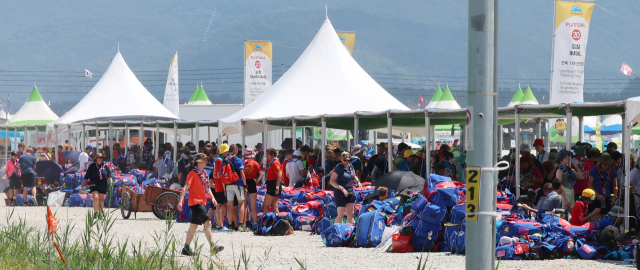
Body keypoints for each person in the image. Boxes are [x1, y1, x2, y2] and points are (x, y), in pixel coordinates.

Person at [177, 153, 224, 256]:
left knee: (193, 226)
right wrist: (180, 201)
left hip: (201, 202)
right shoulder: (192, 173)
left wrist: (213, 198)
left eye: (206, 160)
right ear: (198, 162)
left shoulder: (204, 174)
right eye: (204, 160)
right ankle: (213, 246)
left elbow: (207, 189)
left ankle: (186, 248)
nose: (206, 162)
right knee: (207, 222)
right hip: (195, 202)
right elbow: (185, 188)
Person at [329, 152, 362, 224]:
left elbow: (354, 176)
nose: (347, 162)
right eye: (345, 160)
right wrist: (341, 188)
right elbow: (332, 181)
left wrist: (358, 182)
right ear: (341, 159)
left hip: (350, 190)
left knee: (351, 214)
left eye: (348, 160)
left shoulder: (351, 166)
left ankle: (349, 231)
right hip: (340, 192)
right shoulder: (339, 168)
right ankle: (337, 230)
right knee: (341, 213)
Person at [222, 144, 247, 231]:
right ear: (235, 150)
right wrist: (245, 185)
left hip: (228, 185)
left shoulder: (225, 160)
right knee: (241, 204)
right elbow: (242, 175)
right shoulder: (238, 160)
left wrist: (224, 188)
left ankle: (230, 225)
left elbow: (222, 175)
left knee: (230, 205)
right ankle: (241, 225)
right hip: (238, 184)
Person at [82, 153, 112, 218]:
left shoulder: (105, 166)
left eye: (101, 158)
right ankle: (95, 212)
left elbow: (109, 176)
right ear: (96, 159)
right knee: (95, 198)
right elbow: (87, 174)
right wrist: (83, 181)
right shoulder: (92, 166)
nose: (100, 159)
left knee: (101, 200)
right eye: (99, 158)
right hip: (93, 182)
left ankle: (100, 214)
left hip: (102, 183)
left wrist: (111, 183)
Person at [242, 148, 263, 230]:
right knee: (253, 206)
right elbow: (261, 173)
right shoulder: (254, 163)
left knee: (243, 205)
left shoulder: (242, 162)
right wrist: (257, 180)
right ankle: (255, 224)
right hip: (252, 182)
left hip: (244, 183)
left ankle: (243, 224)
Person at [212, 144, 228, 232]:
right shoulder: (220, 161)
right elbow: (219, 174)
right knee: (220, 204)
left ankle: (220, 223)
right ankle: (220, 225)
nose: (228, 152)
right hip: (221, 185)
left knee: (223, 204)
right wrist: (224, 187)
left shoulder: (218, 159)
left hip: (219, 184)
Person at [263, 148, 283, 214]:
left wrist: (277, 188)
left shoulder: (275, 163)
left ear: (272, 155)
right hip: (273, 184)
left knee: (265, 206)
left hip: (273, 185)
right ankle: (277, 221)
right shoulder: (272, 162)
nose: (267, 156)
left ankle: (268, 221)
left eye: (268, 154)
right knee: (274, 206)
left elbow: (279, 175)